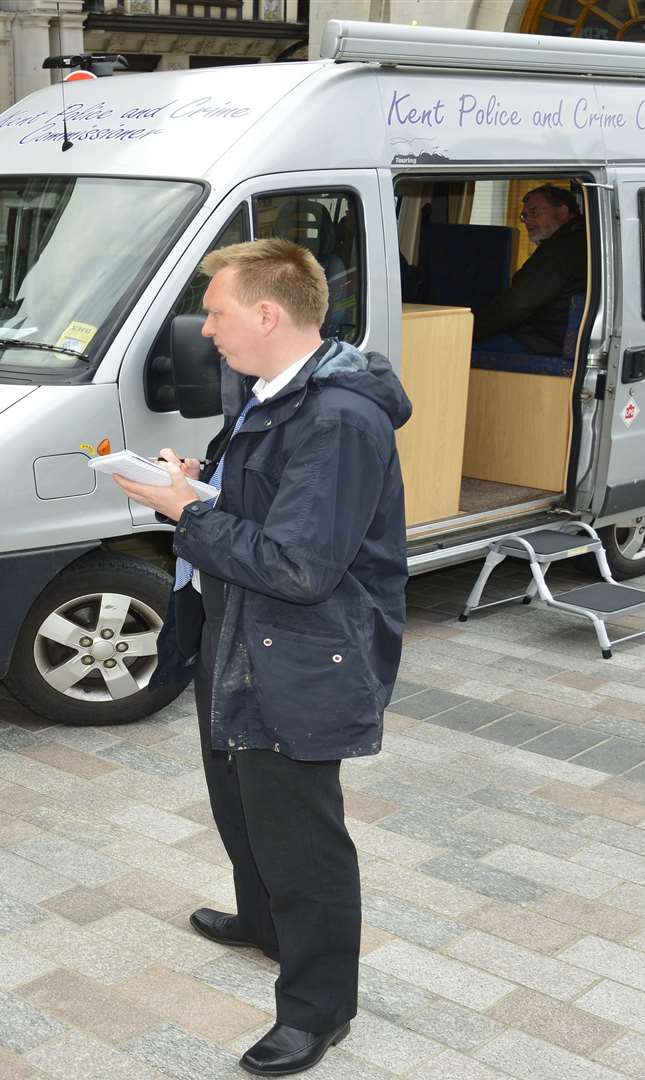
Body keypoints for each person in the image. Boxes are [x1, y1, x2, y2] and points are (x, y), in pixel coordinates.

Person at [114, 240, 409, 1077]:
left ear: (269, 315)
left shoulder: (341, 420)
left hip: (304, 656)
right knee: (239, 801)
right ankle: (264, 921)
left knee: (302, 840)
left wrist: (185, 513)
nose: (204, 330)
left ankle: (318, 1011)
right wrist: (201, 482)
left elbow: (299, 566)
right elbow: (269, 510)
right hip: (239, 634)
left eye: (215, 311)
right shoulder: (269, 394)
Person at [471, 185, 586, 356]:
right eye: (525, 216)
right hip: (549, 336)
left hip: (542, 341)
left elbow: (519, 303)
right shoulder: (580, 238)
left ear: (562, 211)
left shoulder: (563, 247)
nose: (528, 222)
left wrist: (471, 329)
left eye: (534, 212)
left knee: (457, 348)